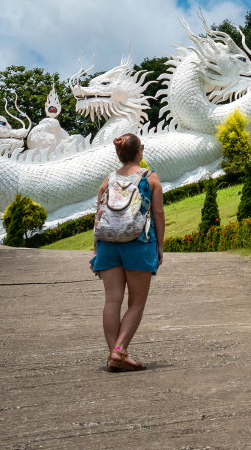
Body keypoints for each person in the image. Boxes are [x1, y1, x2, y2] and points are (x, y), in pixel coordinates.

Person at [91, 133, 165, 372]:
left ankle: (116, 355)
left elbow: (99, 213)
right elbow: (158, 214)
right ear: (139, 152)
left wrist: (96, 245)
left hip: (108, 244)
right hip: (139, 243)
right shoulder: (150, 178)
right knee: (136, 304)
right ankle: (119, 351)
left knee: (112, 301)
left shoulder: (108, 179)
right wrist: (160, 245)